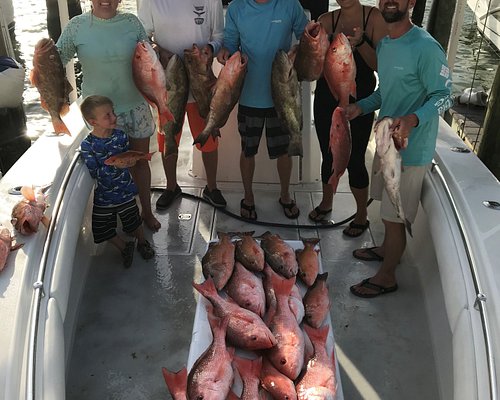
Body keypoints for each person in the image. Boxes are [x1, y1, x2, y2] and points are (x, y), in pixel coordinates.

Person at [346, 0, 453, 297]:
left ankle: (387, 276)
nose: (390, 0)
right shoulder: (386, 45)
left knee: (395, 219)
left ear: (411, 3)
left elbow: (445, 96)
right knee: (387, 212)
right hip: (384, 144)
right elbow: (385, 92)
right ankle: (385, 250)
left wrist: (413, 119)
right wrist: (360, 107)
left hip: (411, 152)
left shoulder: (426, 47)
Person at [56, 0, 162, 231]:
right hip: (99, 114)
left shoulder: (132, 23)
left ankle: (145, 210)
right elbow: (57, 61)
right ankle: (120, 217)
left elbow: (149, 59)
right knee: (109, 167)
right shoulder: (76, 26)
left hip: (135, 107)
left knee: (140, 162)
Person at [217, 0, 308, 221]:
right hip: (249, 93)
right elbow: (229, 41)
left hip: (284, 96)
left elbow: (305, 36)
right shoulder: (237, 7)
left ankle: (285, 195)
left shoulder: (290, 5)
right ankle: (248, 197)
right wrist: (225, 52)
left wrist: (303, 47)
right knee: (248, 150)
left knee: (285, 150)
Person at [308, 0, 388, 239]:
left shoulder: (373, 18)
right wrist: (308, 46)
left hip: (359, 101)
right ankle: (326, 202)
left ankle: (361, 214)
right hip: (326, 98)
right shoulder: (325, 21)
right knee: (329, 152)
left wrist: (361, 43)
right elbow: (315, 68)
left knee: (355, 158)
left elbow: (381, 64)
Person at [138, 0, 227, 210]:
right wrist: (158, 49)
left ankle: (212, 187)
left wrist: (210, 48)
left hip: (201, 81)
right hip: (167, 83)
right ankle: (171, 187)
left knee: (209, 136)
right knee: (167, 138)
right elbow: (141, 35)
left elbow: (219, 36)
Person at [79, 95, 156, 268]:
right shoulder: (88, 145)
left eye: (113, 112)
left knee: (134, 221)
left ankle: (143, 243)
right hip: (104, 196)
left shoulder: (121, 136)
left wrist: (131, 162)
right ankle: (124, 246)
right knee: (100, 229)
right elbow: (94, 171)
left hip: (125, 190)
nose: (114, 117)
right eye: (107, 115)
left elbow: (128, 157)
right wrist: (116, 166)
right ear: (93, 121)